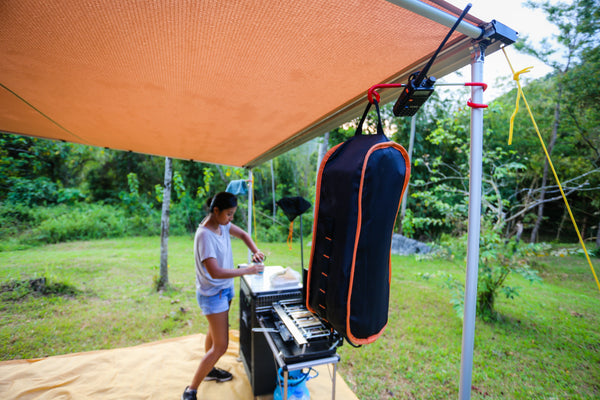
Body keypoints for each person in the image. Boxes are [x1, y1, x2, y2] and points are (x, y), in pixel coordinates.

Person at [182, 192, 265, 400]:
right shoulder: (204, 235)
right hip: (212, 293)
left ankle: (210, 371)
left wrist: (255, 250)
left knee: (214, 332)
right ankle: (190, 390)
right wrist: (247, 270)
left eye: (233, 214)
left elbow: (244, 235)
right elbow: (215, 271)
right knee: (221, 345)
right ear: (216, 211)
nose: (231, 219)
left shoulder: (223, 225)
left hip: (224, 289)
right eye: (229, 214)